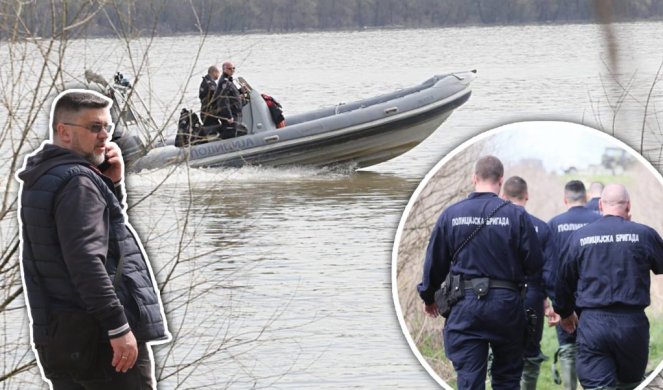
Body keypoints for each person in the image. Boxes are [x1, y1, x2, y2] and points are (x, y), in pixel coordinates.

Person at [17, 90, 170, 389]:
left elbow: (100, 241)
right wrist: (117, 326)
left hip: (62, 337)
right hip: (100, 341)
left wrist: (111, 186)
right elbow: (87, 261)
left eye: (107, 127)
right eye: (94, 127)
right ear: (64, 132)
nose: (104, 136)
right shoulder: (78, 182)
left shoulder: (43, 177)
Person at [417, 156, 543, 389]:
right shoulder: (517, 216)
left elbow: (434, 263)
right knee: (507, 379)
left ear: (474, 178)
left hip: (465, 306)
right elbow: (534, 264)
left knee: (469, 380)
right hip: (506, 306)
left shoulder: (450, 215)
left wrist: (428, 296)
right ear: (501, 180)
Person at [554, 184, 663, 390]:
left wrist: (565, 312)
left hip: (593, 325)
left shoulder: (579, 238)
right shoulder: (645, 234)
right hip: (632, 326)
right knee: (631, 384)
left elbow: (562, 281)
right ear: (629, 205)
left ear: (601, 206)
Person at [501, 176, 556, 390]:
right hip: (532, 296)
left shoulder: (494, 225)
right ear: (527, 196)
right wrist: (553, 303)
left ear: (503, 197)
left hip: (500, 296)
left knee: (502, 351)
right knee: (531, 354)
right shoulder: (542, 228)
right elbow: (549, 271)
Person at [546, 180, 601, 390]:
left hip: (565, 298)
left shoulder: (553, 224)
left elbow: (550, 268)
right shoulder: (598, 220)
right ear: (586, 198)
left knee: (568, 348)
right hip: (594, 298)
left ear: (565, 199)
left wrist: (555, 303)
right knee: (594, 349)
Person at [213, 61, 244, 139]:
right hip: (231, 113)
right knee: (230, 133)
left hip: (235, 111)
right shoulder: (224, 82)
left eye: (233, 68)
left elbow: (232, 94)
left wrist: (240, 91)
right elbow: (223, 100)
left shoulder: (229, 80)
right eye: (230, 68)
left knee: (234, 131)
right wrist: (229, 116)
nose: (232, 70)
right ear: (224, 70)